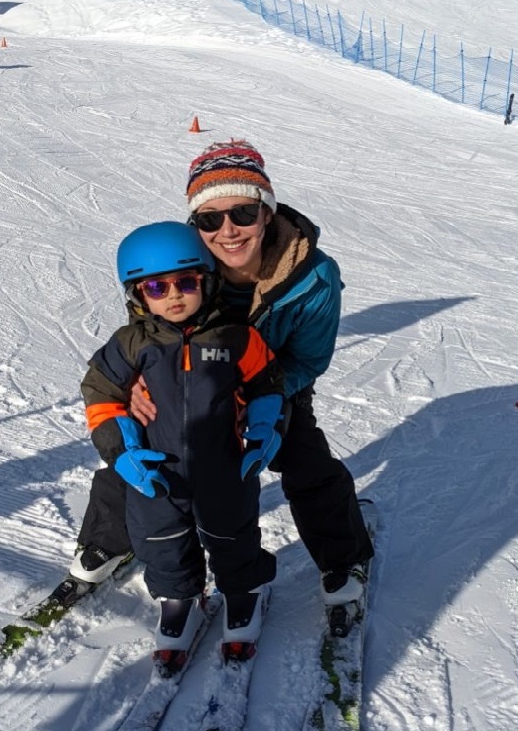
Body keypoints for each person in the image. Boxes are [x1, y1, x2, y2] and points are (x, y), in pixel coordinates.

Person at [68, 140, 374, 620]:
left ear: (266, 214)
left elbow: (308, 359)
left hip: (273, 386)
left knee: (303, 458)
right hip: (190, 386)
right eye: (209, 219)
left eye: (243, 214)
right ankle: (110, 539)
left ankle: (344, 556)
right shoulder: (186, 261)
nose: (227, 231)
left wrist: (249, 399)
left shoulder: (314, 276)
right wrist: (136, 388)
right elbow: (149, 331)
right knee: (142, 447)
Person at [78, 220, 285, 671]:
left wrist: (267, 429)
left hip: (226, 468)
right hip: (157, 472)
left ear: (206, 281)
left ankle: (243, 592)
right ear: (138, 294)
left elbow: (268, 386)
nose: (174, 295)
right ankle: (179, 601)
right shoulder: (131, 344)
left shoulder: (235, 338)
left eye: (186, 282)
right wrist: (122, 451)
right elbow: (101, 394)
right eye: (156, 286)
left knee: (232, 535)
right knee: (161, 540)